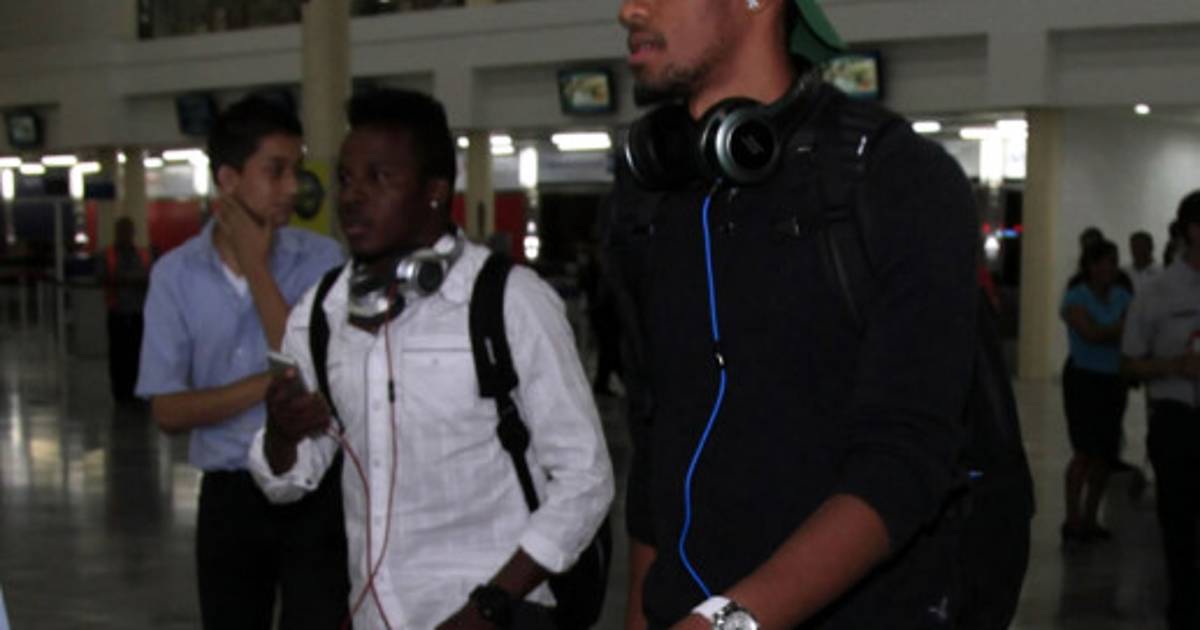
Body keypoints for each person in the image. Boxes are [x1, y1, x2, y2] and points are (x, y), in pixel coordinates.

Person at [613, 0, 983, 628]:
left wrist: (727, 622)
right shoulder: (646, 199)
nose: (629, 9)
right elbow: (655, 442)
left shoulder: (893, 179)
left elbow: (904, 462)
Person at [246, 89, 614, 629]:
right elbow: (290, 479)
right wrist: (282, 434)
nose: (352, 197)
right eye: (346, 179)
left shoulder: (508, 301)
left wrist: (488, 607)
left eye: (379, 178)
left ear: (436, 191)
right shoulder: (322, 312)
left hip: (497, 617)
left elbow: (586, 478)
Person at [136, 96, 348, 629]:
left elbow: (316, 371)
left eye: (296, 169)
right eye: (275, 171)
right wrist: (270, 384)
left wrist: (255, 264)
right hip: (229, 496)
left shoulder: (322, 260)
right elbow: (168, 412)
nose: (292, 187)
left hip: (313, 486)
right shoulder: (175, 276)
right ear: (228, 180)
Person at [1122, 190, 1200, 630]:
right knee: (1179, 522)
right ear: (1192, 231)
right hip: (1178, 420)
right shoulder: (1157, 292)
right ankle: (1184, 607)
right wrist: (1174, 366)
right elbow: (1130, 362)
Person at [1059, 239, 1132, 543]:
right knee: (1084, 451)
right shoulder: (1076, 296)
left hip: (1112, 379)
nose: (1109, 268)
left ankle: (1091, 517)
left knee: (1104, 453)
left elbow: (1130, 331)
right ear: (1090, 266)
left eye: (1113, 262)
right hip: (1084, 379)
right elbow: (1089, 333)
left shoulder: (1122, 295)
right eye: (1103, 262)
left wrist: (1112, 332)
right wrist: (1119, 329)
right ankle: (1072, 518)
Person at [100, 216, 151, 403]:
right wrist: (128, 279)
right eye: (122, 231)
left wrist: (131, 279)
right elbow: (103, 276)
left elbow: (149, 275)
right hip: (118, 312)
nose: (125, 235)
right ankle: (121, 393)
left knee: (138, 353)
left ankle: (139, 391)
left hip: (138, 312)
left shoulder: (143, 254)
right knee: (118, 355)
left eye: (128, 231)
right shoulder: (107, 255)